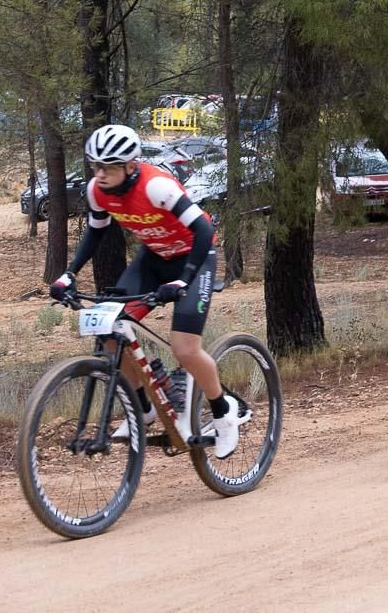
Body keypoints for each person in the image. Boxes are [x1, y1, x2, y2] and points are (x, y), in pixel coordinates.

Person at [48, 125, 249, 458]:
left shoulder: (156, 186)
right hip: (153, 259)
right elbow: (95, 235)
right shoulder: (97, 191)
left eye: (107, 167)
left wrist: (184, 280)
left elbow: (203, 229)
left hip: (193, 258)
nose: (99, 174)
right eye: (94, 166)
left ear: (130, 165)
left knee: (185, 350)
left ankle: (223, 412)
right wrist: (69, 274)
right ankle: (144, 408)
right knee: (111, 330)